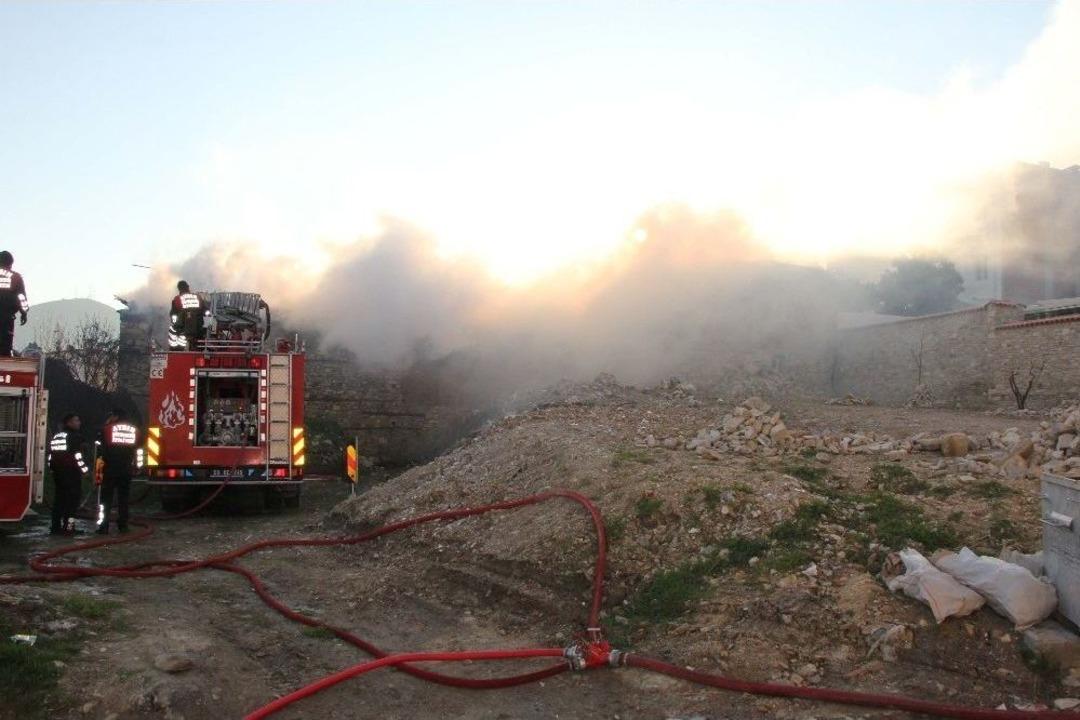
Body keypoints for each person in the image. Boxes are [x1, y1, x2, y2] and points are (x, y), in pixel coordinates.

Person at [97, 409, 141, 534]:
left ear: (115, 416)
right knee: (124, 499)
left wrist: (98, 472)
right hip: (126, 469)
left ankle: (103, 526)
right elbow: (138, 450)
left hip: (109, 469)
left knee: (106, 499)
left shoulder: (107, 429)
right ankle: (123, 525)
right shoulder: (135, 431)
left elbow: (99, 451)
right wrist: (137, 467)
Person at [48, 413, 88, 535]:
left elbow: (50, 455)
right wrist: (85, 470)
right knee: (72, 503)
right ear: (69, 423)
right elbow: (77, 456)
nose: (79, 423)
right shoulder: (75, 437)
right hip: (71, 473)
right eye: (76, 420)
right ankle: (69, 528)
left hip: (58, 473)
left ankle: (55, 527)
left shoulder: (57, 436)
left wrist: (51, 468)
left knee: (59, 500)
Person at [0, 251, 28, 357]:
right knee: (5, 346)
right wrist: (24, 313)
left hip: (6, 316)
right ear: (10, 263)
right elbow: (21, 297)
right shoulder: (15, 277)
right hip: (7, 318)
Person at [169, 280, 207, 350]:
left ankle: (175, 350)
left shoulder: (177, 299)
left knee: (173, 331)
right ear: (188, 287)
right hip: (198, 328)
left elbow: (173, 314)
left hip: (182, 329)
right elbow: (205, 310)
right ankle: (199, 349)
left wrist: (175, 323)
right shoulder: (197, 297)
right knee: (200, 343)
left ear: (179, 289)